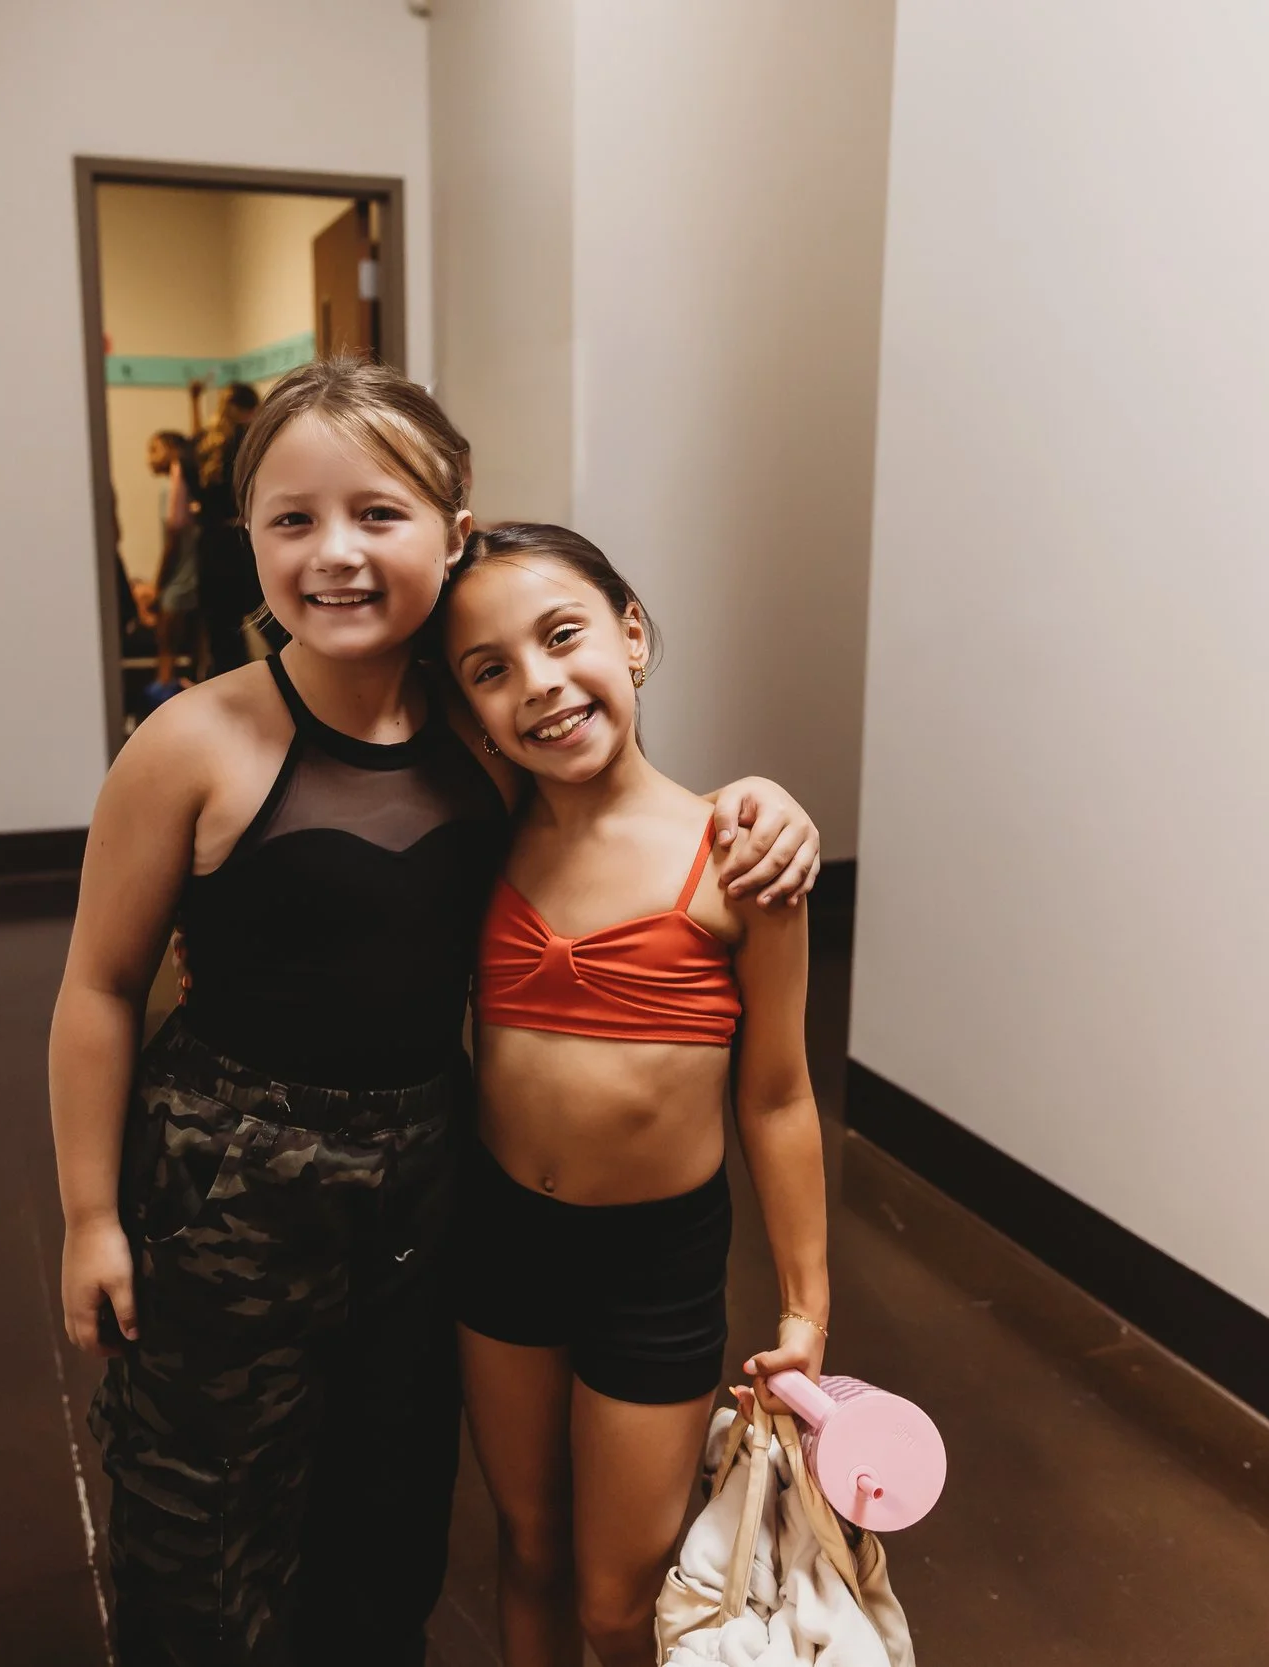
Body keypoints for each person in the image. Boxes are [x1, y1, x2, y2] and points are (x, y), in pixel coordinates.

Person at [48, 358, 824, 1667]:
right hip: (228, 1185)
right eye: (291, 518)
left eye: (378, 513)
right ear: (247, 540)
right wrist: (85, 1214)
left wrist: (763, 801)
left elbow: (613, 797)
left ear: (450, 533)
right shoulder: (191, 740)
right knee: (206, 1507)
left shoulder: (481, 743)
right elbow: (100, 982)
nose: (335, 551)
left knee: (392, 1503)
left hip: (428, 1185)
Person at [438, 524, 831, 1667]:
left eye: (563, 636)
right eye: (491, 669)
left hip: (654, 1262)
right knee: (527, 1547)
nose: (541, 685)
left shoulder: (738, 854)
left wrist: (804, 1307)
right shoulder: (480, 847)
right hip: (500, 1237)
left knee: (619, 1600)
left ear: (632, 633)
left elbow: (777, 1097)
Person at [191, 380, 265, 674]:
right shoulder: (253, 441)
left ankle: (231, 705)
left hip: (210, 545)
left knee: (222, 634)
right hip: (244, 541)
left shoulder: (200, 445)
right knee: (275, 623)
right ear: (254, 408)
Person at [133, 429, 202, 714]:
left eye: (154, 449)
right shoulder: (174, 486)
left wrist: (159, 583)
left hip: (184, 577)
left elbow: (174, 535)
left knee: (169, 645)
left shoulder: (179, 483)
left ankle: (164, 696)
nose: (149, 458)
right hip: (181, 576)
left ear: (172, 450)